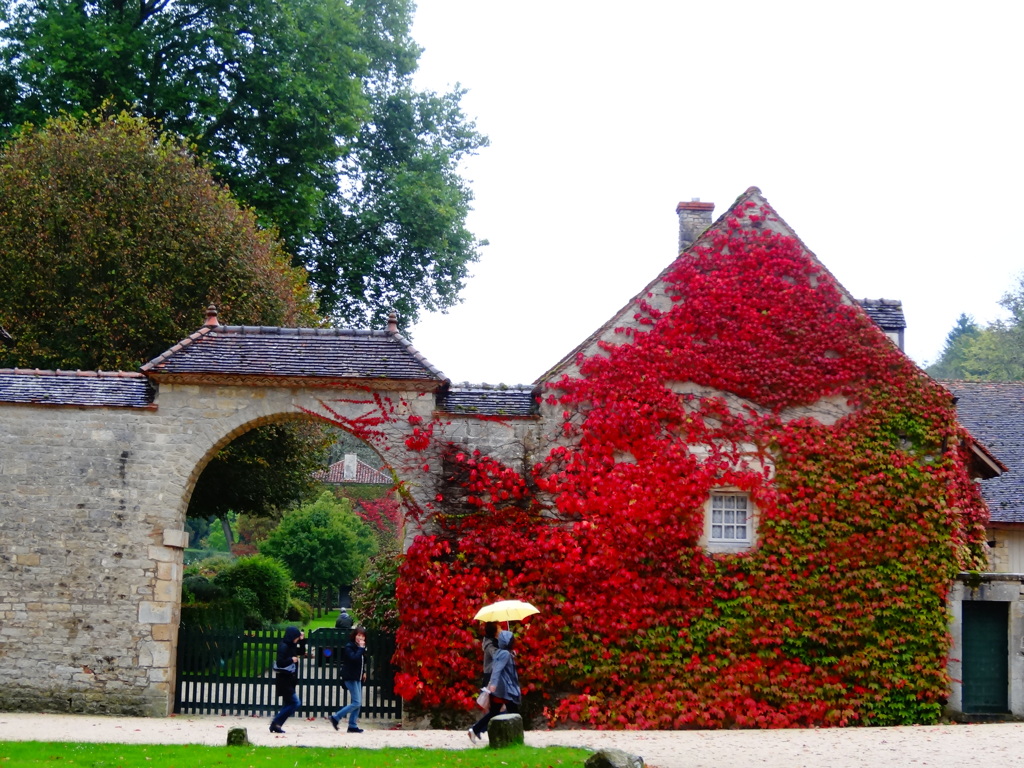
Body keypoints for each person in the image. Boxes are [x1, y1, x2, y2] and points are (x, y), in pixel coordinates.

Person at [468, 629, 520, 744]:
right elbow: (497, 669)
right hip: (503, 690)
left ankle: (475, 729)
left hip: (500, 689)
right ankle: (516, 737)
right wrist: (494, 684)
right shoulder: (505, 654)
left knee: (495, 713)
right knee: (514, 713)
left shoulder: (503, 653)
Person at [329, 626, 368, 733]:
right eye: (358, 635)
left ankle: (352, 725)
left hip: (358, 677)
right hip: (350, 676)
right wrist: (361, 648)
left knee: (358, 702)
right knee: (356, 702)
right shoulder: (349, 647)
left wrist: (363, 671)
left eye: (362, 636)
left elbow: (362, 660)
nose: (360, 638)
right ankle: (336, 717)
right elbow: (354, 659)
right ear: (354, 636)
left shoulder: (361, 647)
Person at [270, 626, 305, 734]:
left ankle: (277, 725)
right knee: (295, 702)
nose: (297, 639)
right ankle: (275, 722)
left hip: (290, 679)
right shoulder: (284, 646)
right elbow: (280, 662)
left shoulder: (291, 645)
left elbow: (302, 652)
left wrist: (302, 641)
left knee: (289, 703)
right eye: (296, 637)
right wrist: (291, 659)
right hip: (284, 679)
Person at [481, 622, 499, 687]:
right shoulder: (490, 645)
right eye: (499, 628)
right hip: (490, 675)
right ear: (494, 632)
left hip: (493, 674)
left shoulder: (495, 642)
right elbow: (498, 656)